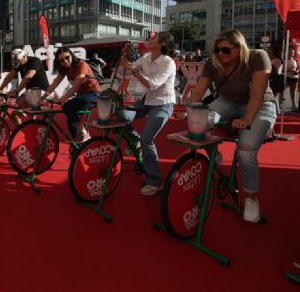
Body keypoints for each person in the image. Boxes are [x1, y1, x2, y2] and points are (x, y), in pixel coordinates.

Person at [188, 29, 276, 223]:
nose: (220, 54)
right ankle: (214, 156)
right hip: (228, 101)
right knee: (198, 122)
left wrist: (247, 120)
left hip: (261, 104)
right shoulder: (213, 63)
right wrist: (189, 110)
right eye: (217, 49)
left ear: (239, 48)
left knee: (245, 150)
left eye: (226, 50)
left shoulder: (257, 57)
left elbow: (257, 96)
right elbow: (199, 90)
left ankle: (251, 198)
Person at [117, 32, 177, 196]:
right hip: (145, 101)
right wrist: (125, 56)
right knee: (121, 115)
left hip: (162, 104)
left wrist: (133, 70)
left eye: (153, 39)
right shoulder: (147, 57)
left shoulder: (168, 62)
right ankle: (135, 141)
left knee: (147, 139)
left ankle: (155, 181)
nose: (149, 40)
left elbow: (152, 85)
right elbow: (125, 70)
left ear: (162, 43)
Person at [43, 47, 101, 143]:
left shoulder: (81, 64)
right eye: (61, 60)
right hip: (82, 95)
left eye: (67, 57)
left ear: (71, 55)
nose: (65, 61)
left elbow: (75, 87)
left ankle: (83, 133)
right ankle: (78, 146)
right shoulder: (65, 69)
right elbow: (55, 83)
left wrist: (61, 99)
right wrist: (43, 97)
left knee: (67, 107)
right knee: (70, 122)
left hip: (93, 93)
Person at [0, 49, 49, 124]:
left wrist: (16, 91)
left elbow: (27, 78)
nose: (17, 63)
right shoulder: (19, 63)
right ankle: (32, 125)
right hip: (31, 92)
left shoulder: (35, 61)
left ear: (24, 56)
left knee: (16, 111)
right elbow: (9, 76)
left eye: (18, 61)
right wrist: (0, 88)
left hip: (41, 92)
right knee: (19, 108)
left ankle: (23, 130)